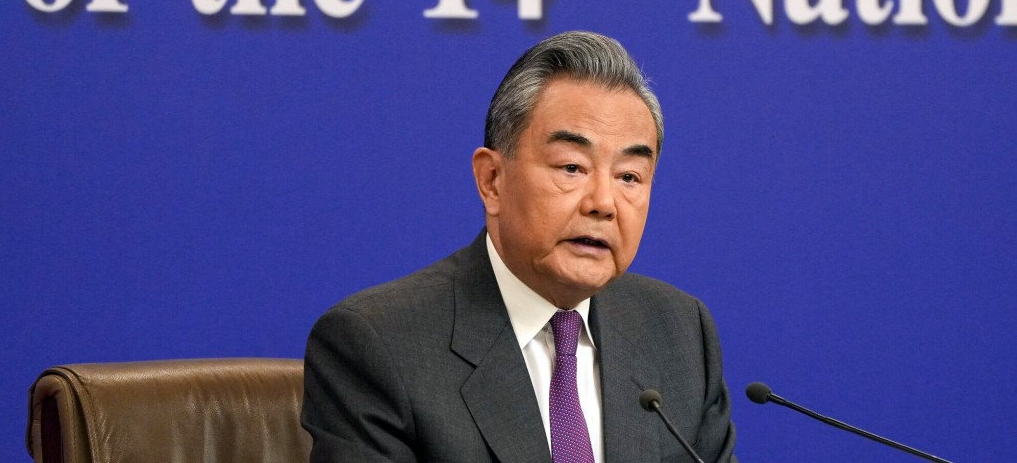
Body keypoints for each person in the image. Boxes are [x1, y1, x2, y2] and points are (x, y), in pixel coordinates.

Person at [302, 31, 737, 463]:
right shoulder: (380, 346)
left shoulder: (680, 335)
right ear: (492, 180)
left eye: (629, 176)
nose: (603, 203)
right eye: (572, 167)